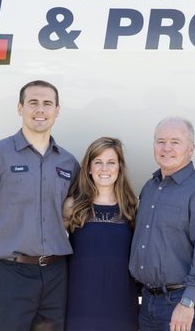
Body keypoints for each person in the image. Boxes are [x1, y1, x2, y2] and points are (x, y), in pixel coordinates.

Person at [0, 80, 79, 331]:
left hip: (56, 275)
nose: (40, 110)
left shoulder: (68, 163)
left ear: (57, 110)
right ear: (20, 108)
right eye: (33, 103)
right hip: (9, 274)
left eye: (47, 104)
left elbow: (71, 215)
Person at [129, 116, 195, 331]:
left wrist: (188, 302)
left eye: (175, 142)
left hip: (182, 304)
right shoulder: (150, 187)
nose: (166, 148)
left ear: (191, 148)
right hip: (149, 301)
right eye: (160, 141)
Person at [63, 137, 139, 330]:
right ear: (88, 168)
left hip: (122, 304)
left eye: (111, 162)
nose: (104, 169)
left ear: (119, 168)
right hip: (80, 304)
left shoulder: (133, 207)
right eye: (98, 162)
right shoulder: (72, 206)